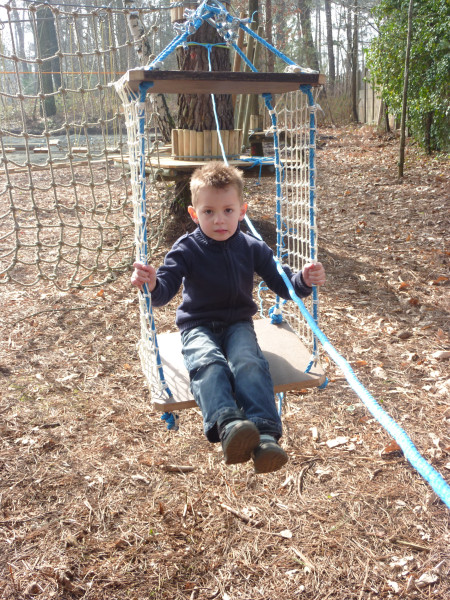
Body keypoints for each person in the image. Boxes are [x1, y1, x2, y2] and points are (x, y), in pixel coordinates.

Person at [131, 162, 326, 473]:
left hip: (238, 324)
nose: (219, 220)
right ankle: (229, 425)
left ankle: (264, 436)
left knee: (248, 361)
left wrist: (303, 279)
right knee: (207, 362)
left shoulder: (252, 247)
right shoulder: (186, 249)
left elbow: (281, 282)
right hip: (198, 324)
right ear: (194, 214)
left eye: (227, 210)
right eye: (208, 212)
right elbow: (164, 290)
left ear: (242, 211)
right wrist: (152, 282)